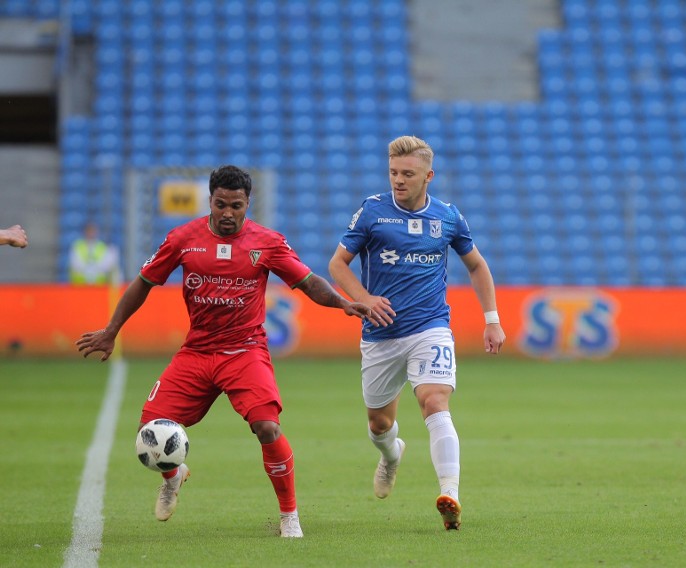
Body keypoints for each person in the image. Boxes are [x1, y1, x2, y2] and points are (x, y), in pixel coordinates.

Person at [76, 165, 371, 538]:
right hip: (197, 351)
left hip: (245, 352)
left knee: (267, 427)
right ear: (209, 200)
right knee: (150, 430)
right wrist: (111, 330)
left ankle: (289, 516)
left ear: (248, 203)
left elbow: (308, 282)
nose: (228, 213)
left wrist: (343, 303)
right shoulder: (183, 238)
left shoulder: (267, 242)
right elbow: (143, 283)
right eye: (220, 204)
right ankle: (173, 475)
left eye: (236, 206)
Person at [328, 135, 506, 530]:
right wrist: (364, 298)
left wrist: (491, 318)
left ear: (429, 175)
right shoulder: (373, 212)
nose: (398, 180)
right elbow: (338, 264)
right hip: (381, 334)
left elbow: (476, 265)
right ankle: (392, 455)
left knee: (434, 401)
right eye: (393, 172)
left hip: (431, 327)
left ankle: (450, 494)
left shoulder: (448, 217)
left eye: (407, 174)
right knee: (378, 423)